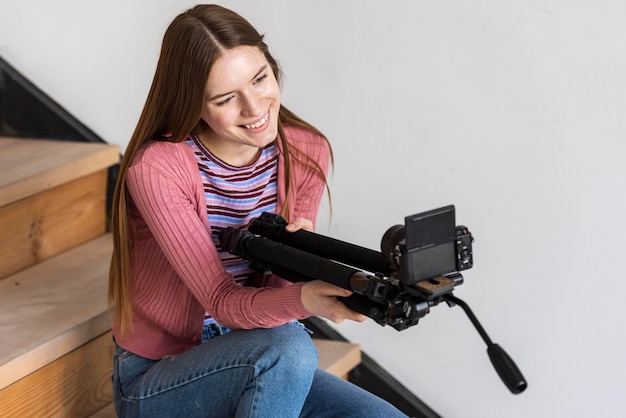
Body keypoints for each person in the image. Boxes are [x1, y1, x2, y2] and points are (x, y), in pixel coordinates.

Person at [108, 4, 408, 417]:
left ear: (271, 64)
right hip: (163, 377)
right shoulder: (158, 169)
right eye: (227, 98)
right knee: (290, 346)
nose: (254, 109)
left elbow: (271, 299)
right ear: (193, 103)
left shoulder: (304, 150)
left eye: (260, 78)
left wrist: (296, 263)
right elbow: (222, 299)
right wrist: (305, 299)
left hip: (260, 355)